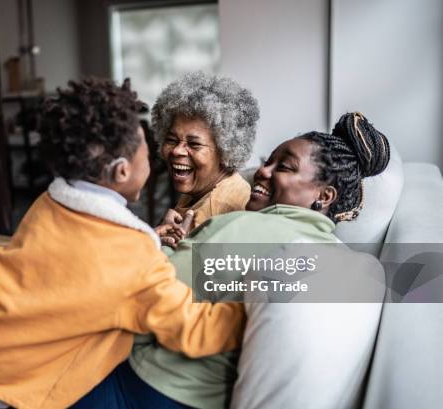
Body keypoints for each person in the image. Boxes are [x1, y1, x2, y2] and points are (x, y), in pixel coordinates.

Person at [0, 78, 245, 409]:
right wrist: (256, 307)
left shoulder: (52, 200)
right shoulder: (132, 256)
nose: (166, 152)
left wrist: (148, 240)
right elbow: (194, 328)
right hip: (6, 372)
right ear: (123, 171)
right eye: (149, 145)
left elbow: (79, 262)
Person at [72, 112, 390, 409]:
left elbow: (142, 293)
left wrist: (158, 246)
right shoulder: (321, 246)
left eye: (285, 167)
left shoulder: (249, 226)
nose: (263, 171)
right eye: (269, 162)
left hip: (152, 385)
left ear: (323, 196)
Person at [151, 72, 259, 248]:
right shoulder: (205, 186)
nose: (177, 150)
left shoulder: (216, 208)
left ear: (226, 151)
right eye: (171, 140)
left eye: (194, 144)